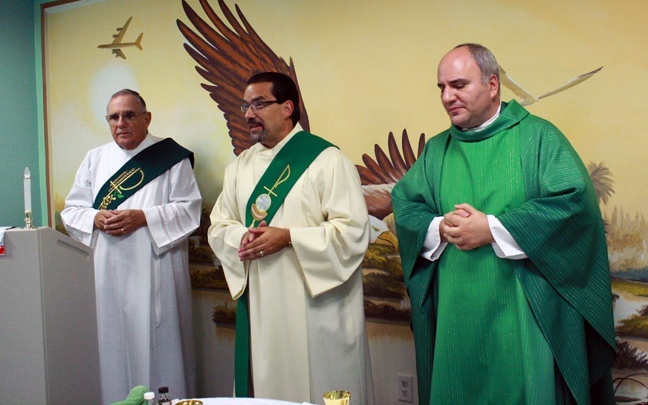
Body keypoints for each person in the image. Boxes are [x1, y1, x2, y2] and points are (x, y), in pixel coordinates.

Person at [391, 44, 616, 404]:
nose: (448, 97)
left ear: (492, 84)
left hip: (523, 310)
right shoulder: (437, 151)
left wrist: (493, 229)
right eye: (442, 88)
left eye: (459, 85)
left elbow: (574, 206)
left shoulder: (538, 138)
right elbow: (406, 205)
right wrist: (439, 228)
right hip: (456, 314)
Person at [208, 72, 374, 404]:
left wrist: (288, 238)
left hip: (317, 309)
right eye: (245, 105)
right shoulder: (238, 168)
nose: (248, 114)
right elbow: (218, 227)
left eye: (258, 103)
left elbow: (354, 231)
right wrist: (245, 237)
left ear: (287, 108)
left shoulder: (329, 162)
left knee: (319, 385)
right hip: (262, 307)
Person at [61, 89, 202, 404]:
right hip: (106, 276)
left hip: (157, 272)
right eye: (114, 117)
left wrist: (144, 217)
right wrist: (96, 218)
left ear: (146, 118)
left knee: (161, 350)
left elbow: (190, 210)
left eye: (129, 115)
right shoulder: (94, 159)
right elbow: (72, 211)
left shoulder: (171, 159)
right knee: (112, 351)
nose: (121, 123)